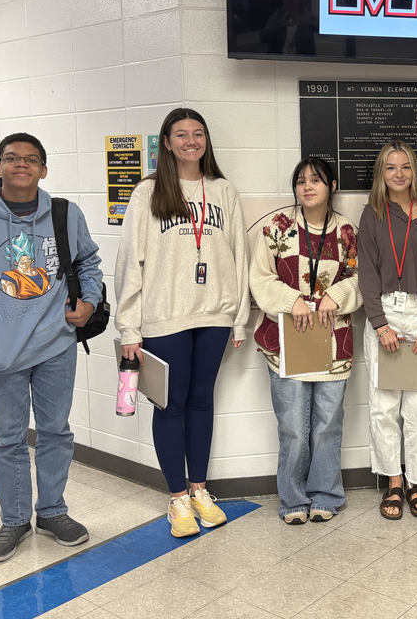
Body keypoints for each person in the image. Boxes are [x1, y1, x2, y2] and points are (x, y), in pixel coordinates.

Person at [0, 133, 103, 563]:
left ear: (43, 169)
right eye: (12, 158)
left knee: (55, 432)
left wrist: (88, 302)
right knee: (8, 440)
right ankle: (14, 520)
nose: (21, 165)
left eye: (31, 159)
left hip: (57, 346)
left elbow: (89, 260)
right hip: (3, 354)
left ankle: (52, 511)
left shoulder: (65, 215)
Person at [115, 108, 250, 537]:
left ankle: (199, 490)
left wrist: (239, 319)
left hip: (213, 314)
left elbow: (238, 258)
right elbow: (129, 263)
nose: (191, 141)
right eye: (181, 134)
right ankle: (176, 499)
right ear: (167, 143)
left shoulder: (223, 191)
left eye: (198, 134)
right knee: (170, 407)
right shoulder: (148, 192)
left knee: (202, 400)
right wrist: (128, 328)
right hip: (163, 316)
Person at [249, 157, 361, 524]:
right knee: (294, 427)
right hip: (287, 342)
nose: (307, 186)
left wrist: (338, 295)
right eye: (300, 181)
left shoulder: (347, 232)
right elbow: (261, 279)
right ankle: (293, 499)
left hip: (333, 340)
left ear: (331, 186)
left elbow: (363, 278)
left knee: (328, 424)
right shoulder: (276, 229)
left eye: (316, 180)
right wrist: (291, 300)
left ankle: (326, 494)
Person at [358, 141, 417, 520]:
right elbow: (365, 271)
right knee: (383, 408)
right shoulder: (372, 213)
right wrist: (380, 325)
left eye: (406, 167)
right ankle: (393, 481)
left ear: (414, 172)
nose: (399, 174)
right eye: (391, 168)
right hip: (385, 316)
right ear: (382, 174)